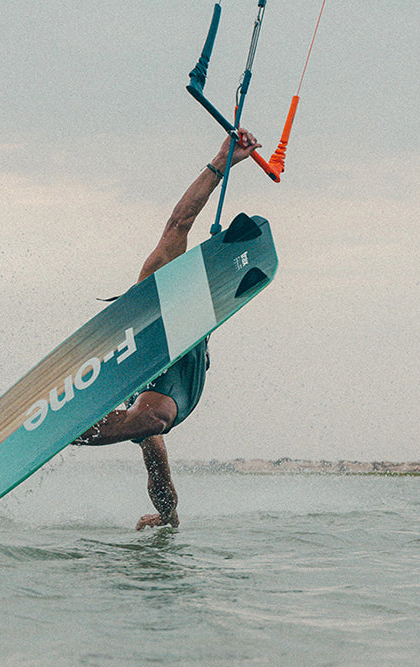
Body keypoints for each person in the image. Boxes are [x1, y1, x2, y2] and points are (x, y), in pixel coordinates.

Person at [73, 128, 261, 531]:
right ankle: (169, 517)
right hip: (145, 372)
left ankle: (73, 430)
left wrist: (222, 160)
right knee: (155, 461)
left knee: (152, 421)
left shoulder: (174, 278)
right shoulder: (147, 284)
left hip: (183, 371)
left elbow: (182, 220)